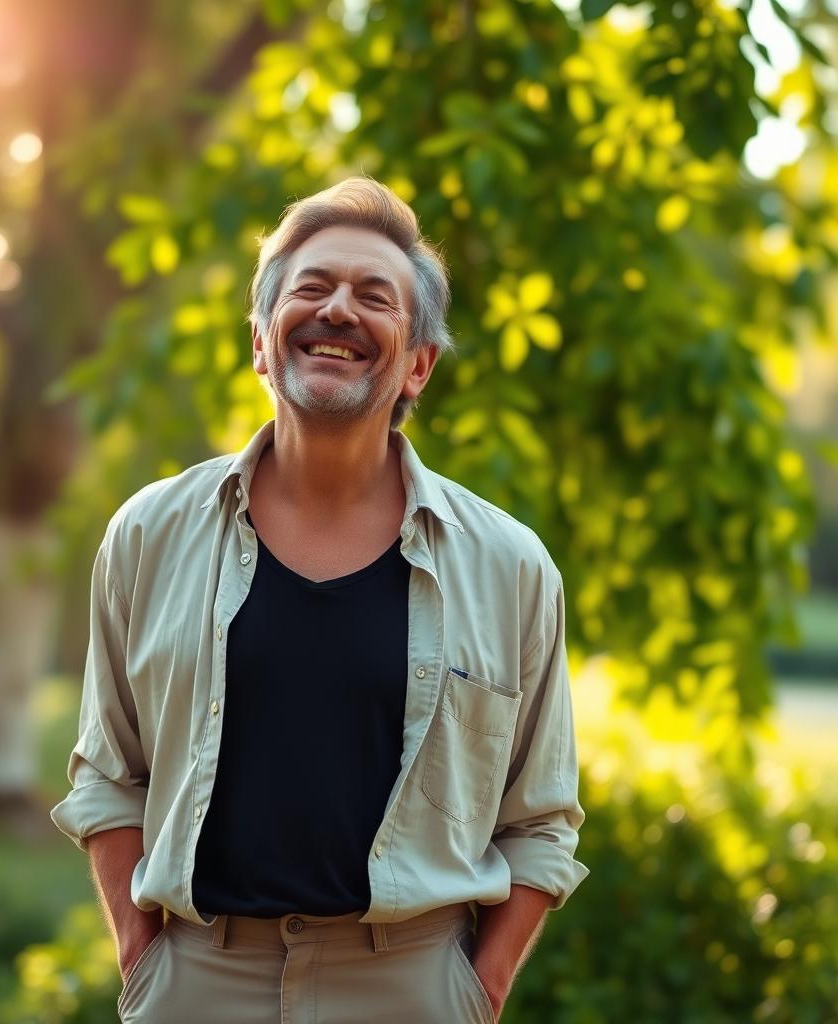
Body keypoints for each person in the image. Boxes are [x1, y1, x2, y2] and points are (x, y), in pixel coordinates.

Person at [51, 176, 588, 1023]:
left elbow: (542, 820)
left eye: (375, 297)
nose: (338, 309)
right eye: (311, 288)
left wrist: (474, 992)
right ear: (262, 342)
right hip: (197, 984)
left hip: (411, 990)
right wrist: (142, 956)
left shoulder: (511, 567)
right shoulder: (148, 535)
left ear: (418, 364)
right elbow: (109, 772)